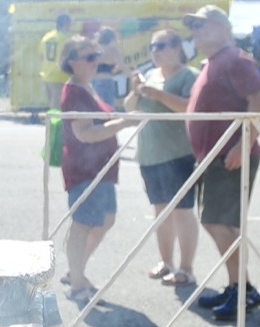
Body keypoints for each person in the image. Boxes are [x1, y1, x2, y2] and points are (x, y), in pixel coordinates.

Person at [183, 5, 260, 321]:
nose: (196, 31)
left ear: (223, 27)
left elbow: (259, 101)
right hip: (214, 157)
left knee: (217, 223)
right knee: (222, 224)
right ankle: (240, 287)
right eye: (193, 26)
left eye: (203, 25)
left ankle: (241, 290)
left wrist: (242, 144)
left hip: (228, 157)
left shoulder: (235, 59)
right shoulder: (214, 62)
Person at [58, 38, 129, 304]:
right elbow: (84, 134)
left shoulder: (87, 87)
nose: (94, 61)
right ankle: (77, 283)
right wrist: (124, 122)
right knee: (83, 224)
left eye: (96, 55)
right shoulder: (75, 92)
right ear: (71, 61)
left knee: (106, 219)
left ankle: (75, 270)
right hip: (85, 168)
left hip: (100, 168)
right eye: (88, 57)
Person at [126, 28, 198, 286]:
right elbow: (128, 107)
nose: (156, 51)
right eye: (153, 46)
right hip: (149, 155)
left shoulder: (189, 76)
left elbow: (190, 108)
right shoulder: (150, 76)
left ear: (178, 48)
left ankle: (186, 268)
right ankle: (166, 261)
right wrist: (136, 91)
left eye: (162, 45)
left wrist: (157, 94)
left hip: (178, 154)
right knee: (160, 212)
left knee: (182, 212)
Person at [39, 11, 71, 110]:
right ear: (66, 24)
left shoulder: (46, 37)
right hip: (60, 77)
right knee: (58, 108)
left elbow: (40, 56)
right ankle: (55, 126)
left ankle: (54, 125)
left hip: (47, 76)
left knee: (53, 106)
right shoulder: (64, 39)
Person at [92, 26, 123, 105]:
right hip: (106, 80)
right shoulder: (113, 49)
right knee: (107, 107)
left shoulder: (95, 48)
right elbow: (121, 65)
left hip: (94, 81)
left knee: (95, 106)